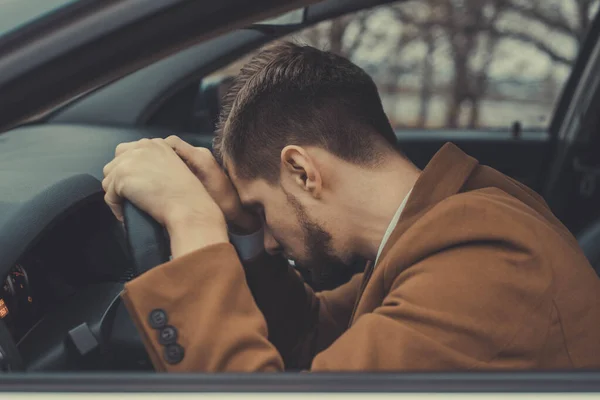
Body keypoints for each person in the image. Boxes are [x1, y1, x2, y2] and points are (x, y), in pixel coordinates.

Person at [102, 41, 600, 371]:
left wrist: (192, 224)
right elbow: (317, 336)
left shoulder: (489, 265)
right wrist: (240, 226)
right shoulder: (439, 230)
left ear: (302, 171)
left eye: (260, 208)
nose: (269, 236)